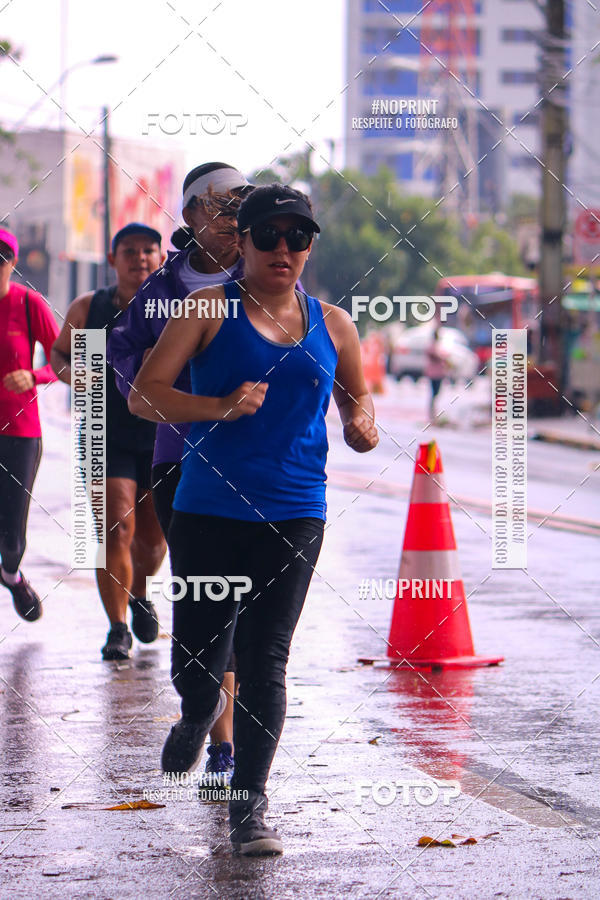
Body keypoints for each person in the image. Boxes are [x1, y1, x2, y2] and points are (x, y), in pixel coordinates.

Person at [130, 184, 379, 856]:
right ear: (241, 241)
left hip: (296, 511)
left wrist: (360, 424)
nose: (283, 249)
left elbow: (359, 404)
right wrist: (217, 406)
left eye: (297, 237)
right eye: (268, 235)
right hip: (208, 510)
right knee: (199, 656)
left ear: (308, 245)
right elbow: (143, 396)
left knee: (266, 660)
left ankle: (249, 808)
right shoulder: (207, 308)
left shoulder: (335, 323)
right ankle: (196, 709)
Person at [108, 163, 254, 785]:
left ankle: (227, 741)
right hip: (178, 457)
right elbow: (119, 346)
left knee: (248, 615)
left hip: (255, 461)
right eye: (223, 205)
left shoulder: (264, 268)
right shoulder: (167, 285)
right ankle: (214, 733)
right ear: (193, 213)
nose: (235, 217)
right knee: (207, 597)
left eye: (242, 203)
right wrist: (157, 382)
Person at [51, 223, 167, 660]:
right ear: (113, 259)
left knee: (154, 540)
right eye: (130, 251)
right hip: (105, 430)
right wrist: (73, 375)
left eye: (149, 251)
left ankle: (140, 593)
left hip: (162, 433)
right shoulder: (90, 308)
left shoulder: (176, 308)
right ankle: (117, 627)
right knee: (116, 529)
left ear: (160, 258)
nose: (140, 258)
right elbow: (60, 352)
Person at [0, 228, 59, 621]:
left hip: (19, 433)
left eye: (1, 256)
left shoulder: (28, 304)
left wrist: (33, 376)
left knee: (11, 534)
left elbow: (68, 360)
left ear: (13, 262)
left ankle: (11, 573)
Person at [425, 325, 450, 421]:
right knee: (434, 394)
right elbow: (435, 356)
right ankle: (432, 414)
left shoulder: (437, 346)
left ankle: (433, 414)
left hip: (437, 373)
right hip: (435, 374)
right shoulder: (432, 347)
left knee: (435, 394)